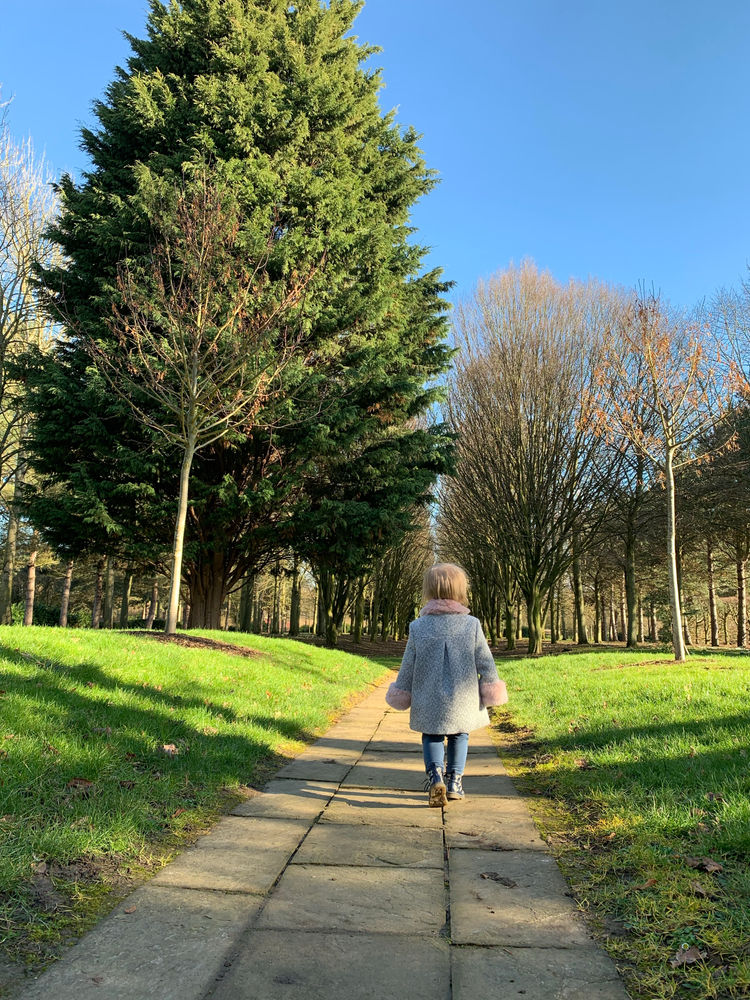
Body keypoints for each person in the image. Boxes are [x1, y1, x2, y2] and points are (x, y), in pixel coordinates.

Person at [385, 562, 508, 807]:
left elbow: (408, 663)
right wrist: (491, 685)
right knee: (460, 735)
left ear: (429, 591)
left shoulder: (418, 627)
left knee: (431, 735)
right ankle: (454, 783)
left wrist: (402, 689)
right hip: (463, 696)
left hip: (427, 694)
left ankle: (435, 777)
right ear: (461, 591)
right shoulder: (472, 624)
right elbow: (485, 660)